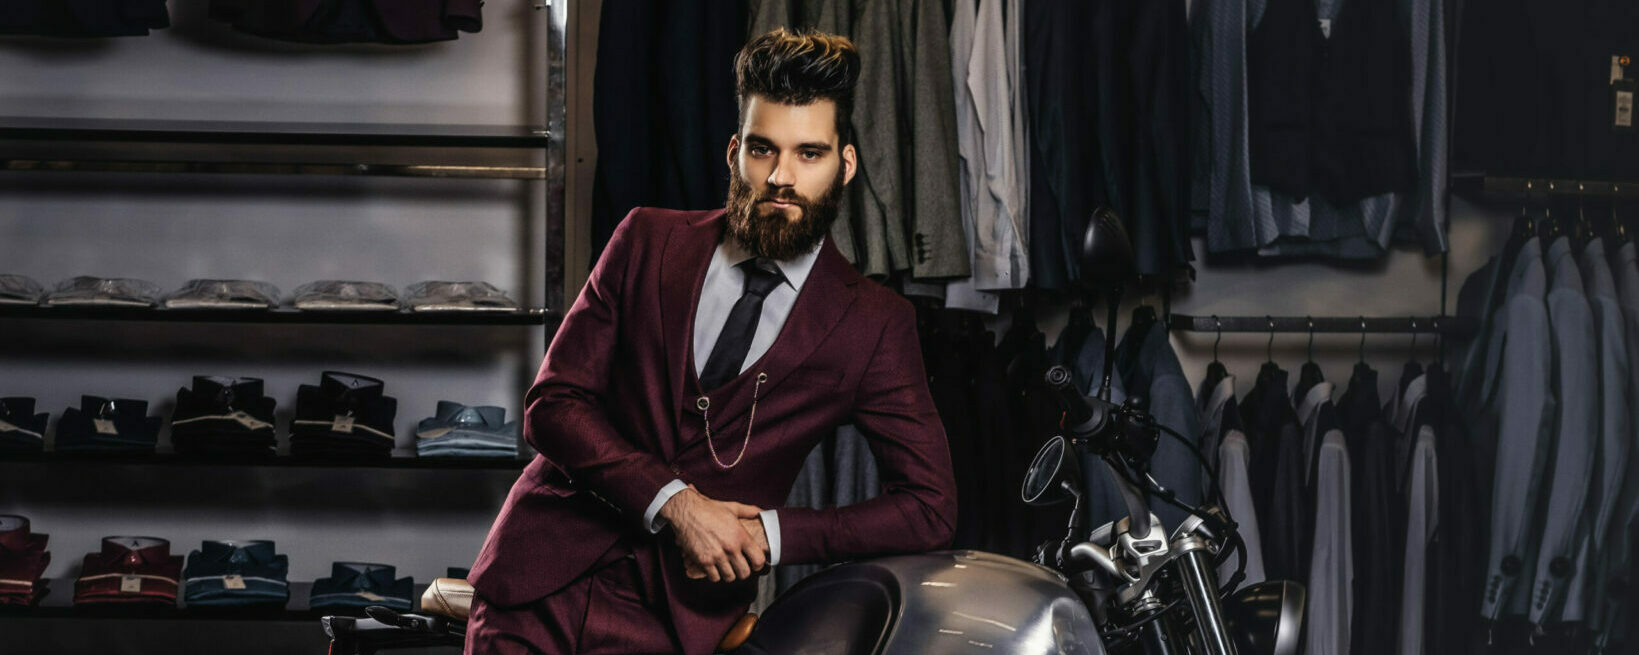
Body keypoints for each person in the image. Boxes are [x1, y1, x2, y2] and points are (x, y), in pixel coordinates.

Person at [465, 28, 958, 655]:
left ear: (847, 164)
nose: (781, 177)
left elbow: (929, 507)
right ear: (734, 152)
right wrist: (675, 504)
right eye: (763, 149)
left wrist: (771, 537)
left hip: (675, 619)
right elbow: (553, 405)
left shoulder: (873, 323)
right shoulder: (645, 240)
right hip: (536, 582)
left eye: (809, 153)